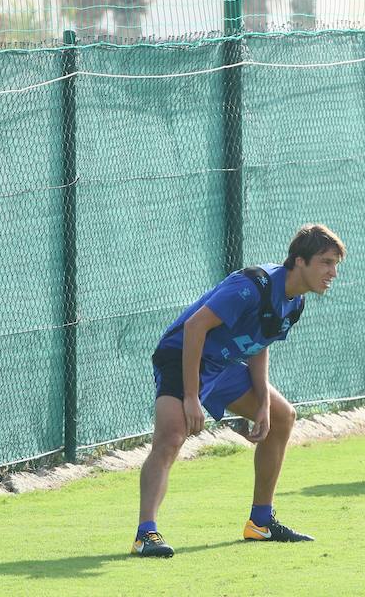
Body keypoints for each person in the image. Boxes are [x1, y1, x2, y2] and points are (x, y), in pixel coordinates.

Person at [132, 224, 346, 556]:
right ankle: (146, 534)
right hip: (182, 356)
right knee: (171, 437)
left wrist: (262, 401)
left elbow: (261, 342)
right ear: (299, 261)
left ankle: (261, 522)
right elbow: (195, 327)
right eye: (326, 262)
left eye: (335, 264)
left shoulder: (296, 303)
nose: (333, 272)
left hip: (224, 365)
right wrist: (191, 396)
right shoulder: (252, 285)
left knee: (281, 416)